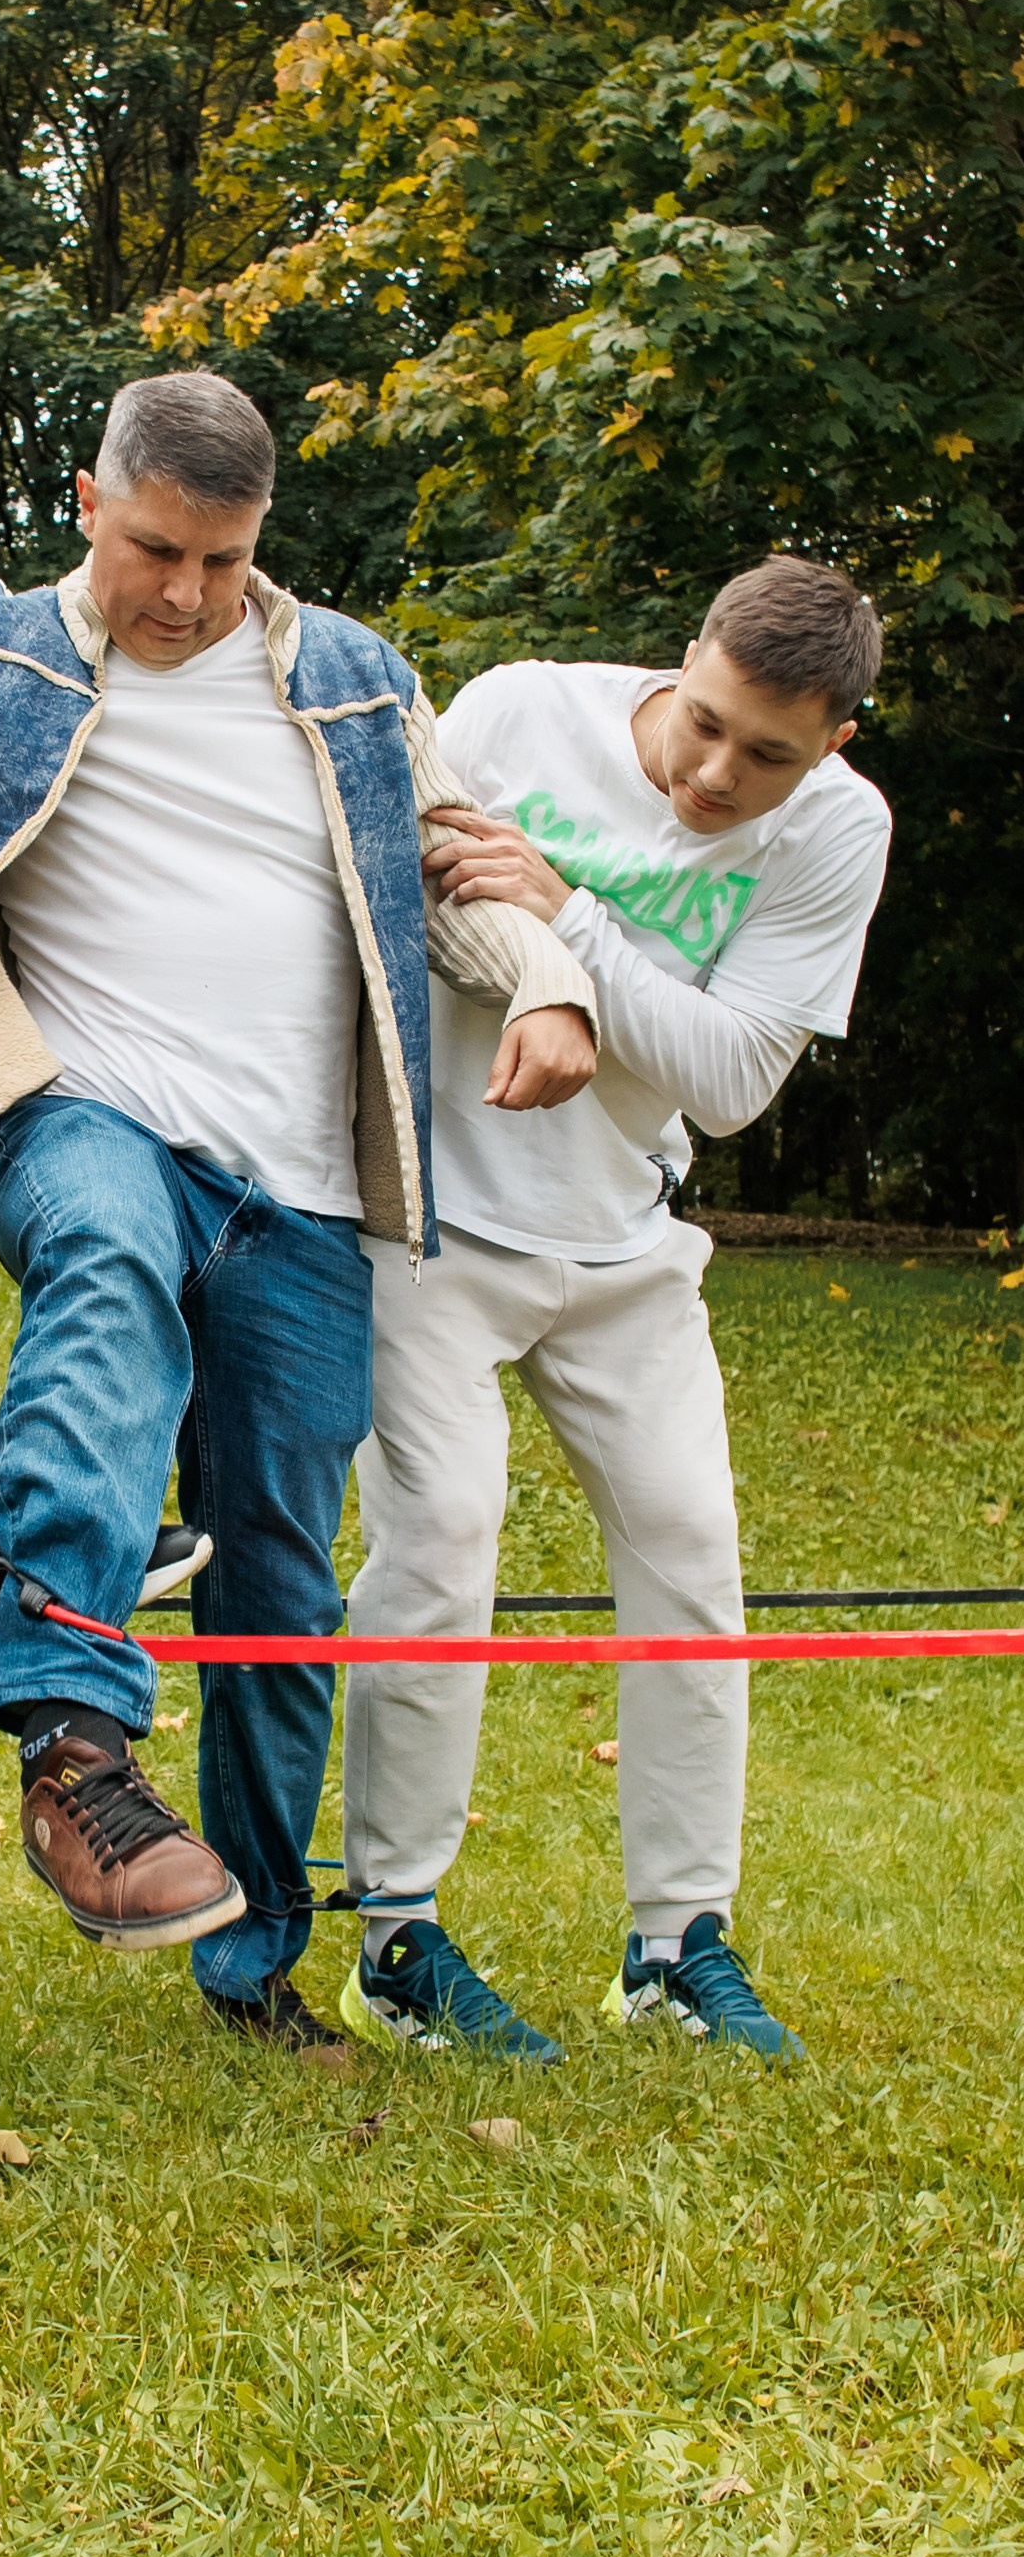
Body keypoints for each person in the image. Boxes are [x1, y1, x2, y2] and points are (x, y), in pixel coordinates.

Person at [0, 368, 601, 2061]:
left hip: (296, 1199)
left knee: (281, 1580)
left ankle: (254, 1953)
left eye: (221, 561)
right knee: (106, 1253)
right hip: (83, 1108)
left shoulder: (358, 681)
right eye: (154, 549)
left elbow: (457, 881)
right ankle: (73, 1744)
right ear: (88, 501)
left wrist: (551, 981)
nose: (183, 595)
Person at [338, 558, 891, 2065]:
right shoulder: (521, 712)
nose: (716, 775)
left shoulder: (841, 833)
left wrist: (571, 921)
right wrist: (541, 948)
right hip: (436, 1219)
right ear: (688, 655)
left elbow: (724, 1078)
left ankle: (674, 1945)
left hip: (627, 1236)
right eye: (703, 723)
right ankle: (394, 1940)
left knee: (694, 1564)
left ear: (834, 742)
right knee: (440, 1547)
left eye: (766, 755)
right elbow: (411, 904)